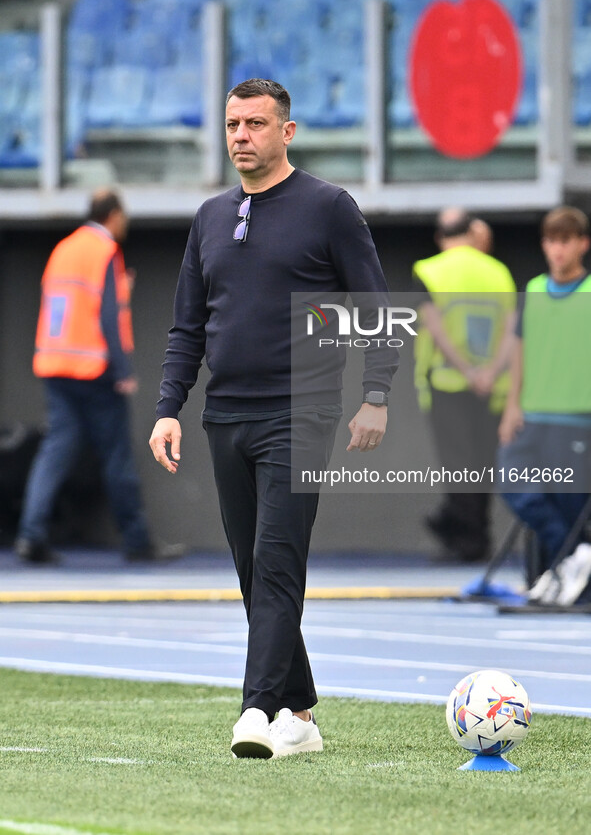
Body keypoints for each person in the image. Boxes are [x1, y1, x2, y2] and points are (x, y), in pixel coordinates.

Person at [149, 78, 396, 759]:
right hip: (223, 416)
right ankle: (302, 714)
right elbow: (186, 328)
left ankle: (256, 711)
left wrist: (375, 394)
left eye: (255, 124)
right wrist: (168, 408)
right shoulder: (208, 218)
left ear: (286, 132)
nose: (241, 136)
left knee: (277, 559)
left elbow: (377, 309)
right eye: (232, 124)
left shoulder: (329, 208)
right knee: (254, 571)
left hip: (302, 413)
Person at [15, 188, 153, 564]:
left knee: (54, 453)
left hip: (55, 365)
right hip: (94, 369)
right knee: (117, 455)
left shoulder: (64, 249)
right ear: (112, 215)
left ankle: (30, 535)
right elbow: (108, 315)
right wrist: (123, 370)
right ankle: (137, 542)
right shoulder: (105, 251)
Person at [498, 205, 591, 606]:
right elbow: (520, 351)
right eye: (551, 241)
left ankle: (564, 573)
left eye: (565, 241)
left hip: (577, 419)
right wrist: (511, 405)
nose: (557, 249)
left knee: (568, 505)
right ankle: (573, 560)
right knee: (512, 482)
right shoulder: (533, 291)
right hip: (533, 416)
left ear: (582, 244)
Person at [412, 208, 516, 562]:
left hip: (448, 382)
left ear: (440, 238)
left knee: (458, 464)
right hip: (493, 385)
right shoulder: (498, 272)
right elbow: (511, 330)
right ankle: (469, 534)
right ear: (471, 234)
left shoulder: (429, 270)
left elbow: (436, 330)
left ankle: (466, 539)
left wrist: (469, 372)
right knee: (482, 463)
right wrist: (489, 372)